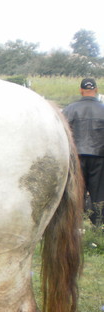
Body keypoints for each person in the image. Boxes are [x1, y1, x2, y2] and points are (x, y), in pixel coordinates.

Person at [63, 78, 104, 226]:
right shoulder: (103, 108)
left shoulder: (70, 109)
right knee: (99, 193)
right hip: (100, 156)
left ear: (81, 90)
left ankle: (75, 225)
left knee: (76, 193)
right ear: (96, 90)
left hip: (77, 156)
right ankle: (98, 226)